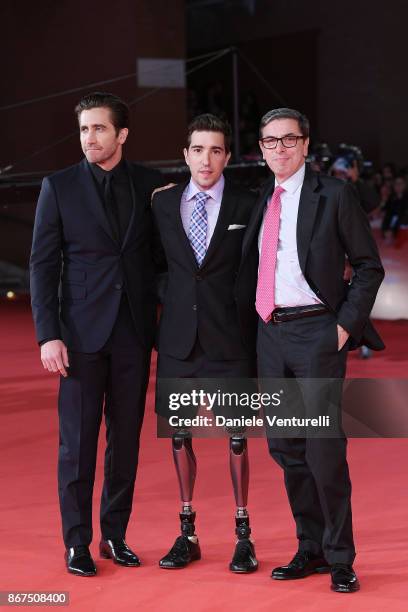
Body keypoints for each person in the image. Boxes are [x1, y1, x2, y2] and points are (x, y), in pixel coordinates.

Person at [241, 108, 384, 593]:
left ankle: (342, 557)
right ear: (260, 149)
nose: (279, 149)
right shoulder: (263, 198)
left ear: (305, 145)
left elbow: (368, 266)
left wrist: (345, 327)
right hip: (270, 335)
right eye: (269, 142)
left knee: (324, 450)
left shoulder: (335, 195)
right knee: (286, 448)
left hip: (317, 334)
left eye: (288, 140)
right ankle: (312, 547)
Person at [30, 92, 164, 576]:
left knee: (125, 440)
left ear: (121, 134)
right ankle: (76, 543)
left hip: (133, 331)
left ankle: (115, 536)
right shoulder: (58, 186)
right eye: (84, 129)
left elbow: (161, 260)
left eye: (99, 129)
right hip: (80, 336)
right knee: (78, 444)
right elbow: (42, 266)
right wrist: (49, 334)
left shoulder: (152, 186)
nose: (89, 138)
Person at [152, 114, 259, 573]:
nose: (206, 159)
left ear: (228, 157)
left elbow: (254, 269)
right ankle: (187, 534)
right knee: (179, 437)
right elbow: (153, 265)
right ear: (186, 154)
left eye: (216, 150)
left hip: (230, 340)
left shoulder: (248, 204)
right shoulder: (162, 203)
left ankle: (243, 537)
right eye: (198, 149)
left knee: (236, 439)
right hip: (178, 341)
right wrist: (172, 302)